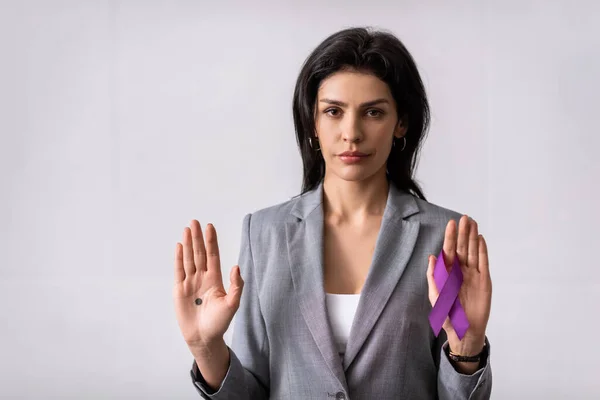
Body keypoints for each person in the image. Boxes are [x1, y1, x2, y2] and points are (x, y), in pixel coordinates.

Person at [173, 27, 493, 399]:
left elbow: (452, 388)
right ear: (313, 122)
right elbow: (252, 391)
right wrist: (205, 347)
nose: (351, 133)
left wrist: (467, 349)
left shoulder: (440, 239)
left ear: (400, 123)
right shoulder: (265, 235)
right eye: (334, 111)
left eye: (373, 112)